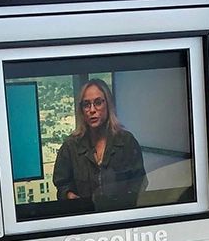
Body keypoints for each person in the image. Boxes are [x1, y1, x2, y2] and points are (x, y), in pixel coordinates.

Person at [52, 79, 147, 210]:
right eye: (86, 104)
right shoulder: (70, 146)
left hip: (122, 218)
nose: (92, 110)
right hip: (85, 218)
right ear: (81, 110)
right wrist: (70, 197)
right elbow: (62, 184)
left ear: (108, 105)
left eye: (98, 103)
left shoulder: (126, 142)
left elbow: (140, 181)